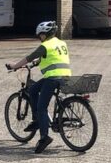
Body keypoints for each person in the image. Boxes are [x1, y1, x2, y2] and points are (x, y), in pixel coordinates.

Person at [6, 20, 71, 153]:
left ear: (45, 34)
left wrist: (14, 66)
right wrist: (36, 63)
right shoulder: (61, 43)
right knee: (33, 89)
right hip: (65, 76)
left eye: (40, 35)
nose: (39, 37)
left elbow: (28, 57)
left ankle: (44, 137)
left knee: (42, 107)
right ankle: (37, 120)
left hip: (52, 78)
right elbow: (50, 57)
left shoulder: (45, 46)